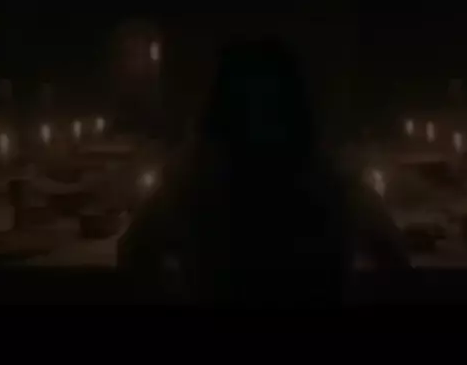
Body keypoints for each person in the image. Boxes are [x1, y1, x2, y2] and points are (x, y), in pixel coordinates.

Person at [118, 37, 410, 305]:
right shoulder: (333, 178)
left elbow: (135, 252)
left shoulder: (193, 180)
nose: (259, 117)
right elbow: (393, 257)